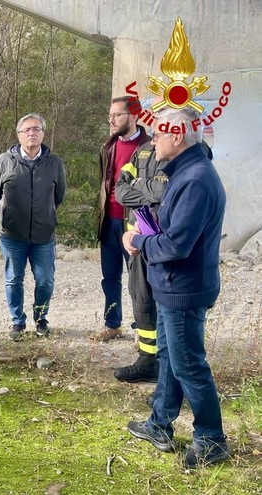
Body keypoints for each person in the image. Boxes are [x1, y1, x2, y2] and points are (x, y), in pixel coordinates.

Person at [124, 107, 230, 468]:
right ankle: (160, 424)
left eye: (158, 134)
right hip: (172, 285)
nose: (152, 140)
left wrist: (139, 241)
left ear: (178, 137)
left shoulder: (195, 180)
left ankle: (212, 439)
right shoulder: (185, 174)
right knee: (170, 359)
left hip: (183, 288)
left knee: (188, 365)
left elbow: (176, 245)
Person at [0, 113, 66, 341]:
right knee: (14, 279)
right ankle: (17, 322)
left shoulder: (54, 163)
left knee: (45, 280)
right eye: (27, 130)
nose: (32, 133)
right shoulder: (3, 162)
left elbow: (59, 196)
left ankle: (41, 318)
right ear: (18, 135)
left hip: (44, 235)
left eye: (37, 129)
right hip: (12, 235)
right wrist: (8, 215)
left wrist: (44, 215)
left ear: (43, 133)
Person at [92, 96, 150, 342]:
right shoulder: (108, 147)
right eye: (110, 116)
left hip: (135, 223)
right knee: (110, 276)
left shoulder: (150, 146)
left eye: (117, 115)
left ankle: (143, 328)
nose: (112, 120)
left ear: (133, 116)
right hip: (110, 221)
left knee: (139, 279)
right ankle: (112, 324)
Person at [112, 141, 164, 382]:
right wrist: (149, 191)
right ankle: (147, 359)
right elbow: (121, 190)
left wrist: (140, 187)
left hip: (165, 243)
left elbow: (169, 193)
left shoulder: (190, 150)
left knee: (166, 303)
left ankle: (166, 364)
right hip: (137, 242)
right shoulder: (142, 150)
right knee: (141, 300)